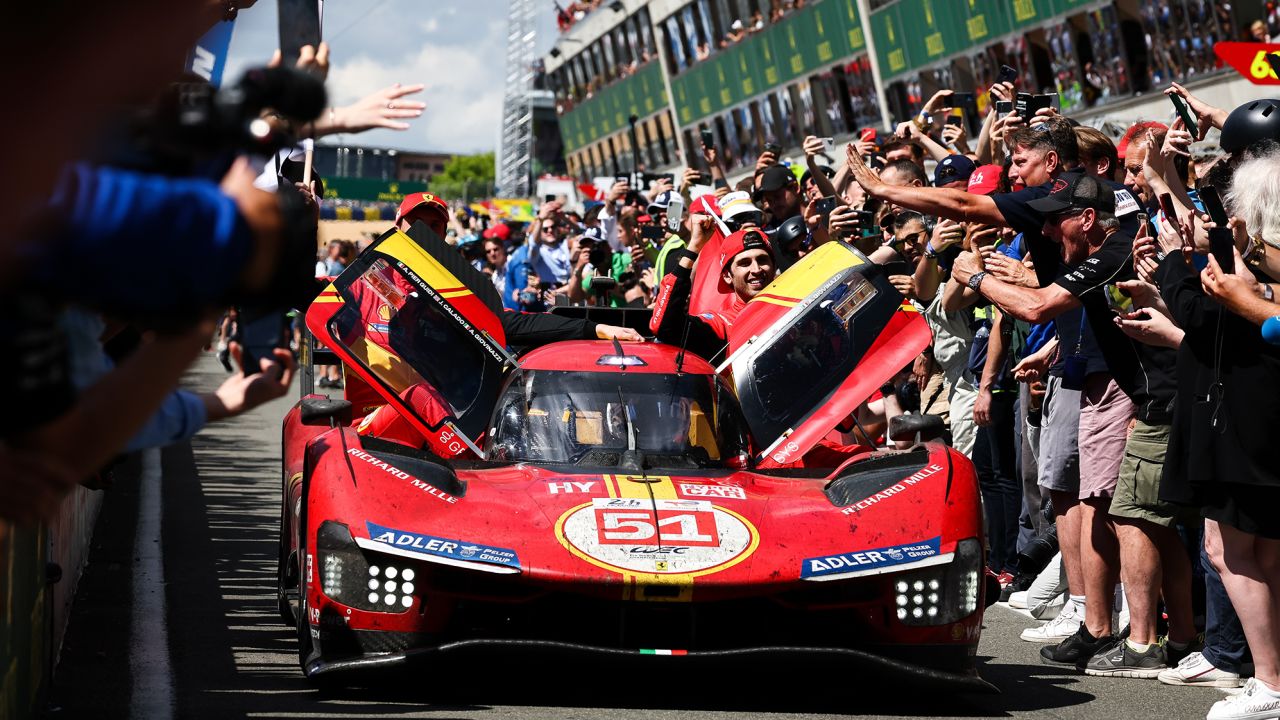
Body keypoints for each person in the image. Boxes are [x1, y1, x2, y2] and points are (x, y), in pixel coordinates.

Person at [650, 218, 775, 362]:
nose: (756, 269)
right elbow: (665, 327)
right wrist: (694, 248)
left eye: (762, 260)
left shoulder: (794, 307)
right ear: (728, 276)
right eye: (745, 263)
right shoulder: (722, 324)